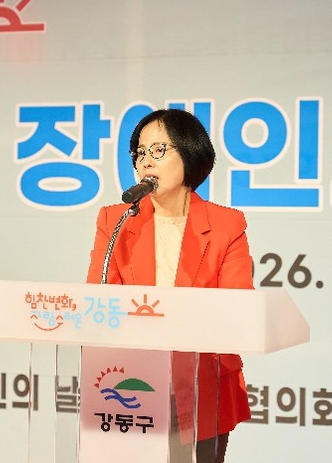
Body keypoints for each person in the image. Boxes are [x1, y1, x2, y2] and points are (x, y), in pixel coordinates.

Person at [86, 108, 253, 462]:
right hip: (130, 386)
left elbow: (237, 309)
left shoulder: (226, 225)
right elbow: (98, 303)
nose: (146, 161)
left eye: (159, 150)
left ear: (190, 153)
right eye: (140, 153)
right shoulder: (116, 221)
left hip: (202, 385)